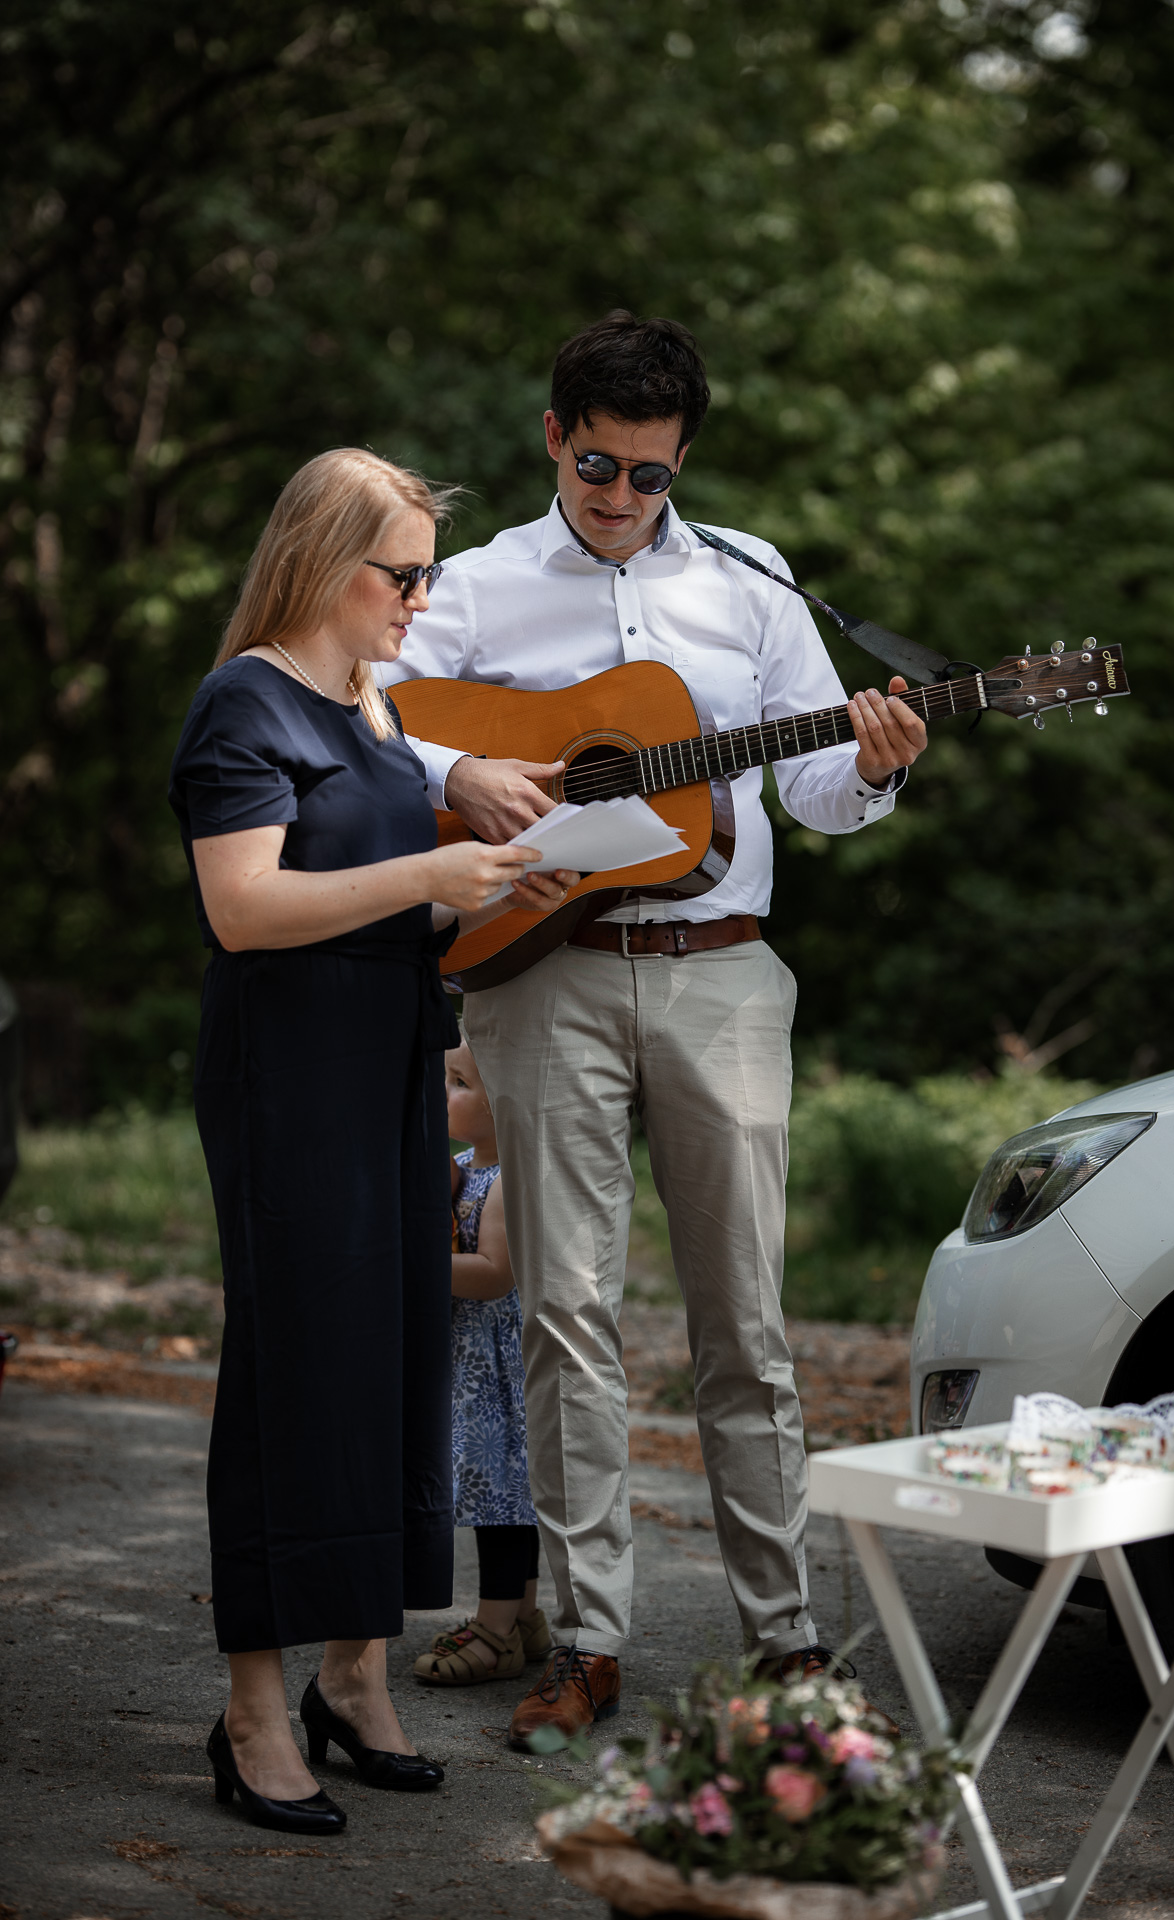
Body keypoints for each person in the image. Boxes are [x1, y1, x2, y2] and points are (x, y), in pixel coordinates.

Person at [382, 312, 928, 1748]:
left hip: (721, 975)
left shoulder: (752, 584)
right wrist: (471, 774)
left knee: (744, 1322)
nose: (619, 497)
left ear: (683, 463)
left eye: (650, 474)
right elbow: (372, 711)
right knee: (565, 1313)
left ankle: (788, 1639)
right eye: (596, 465)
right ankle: (589, 1640)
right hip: (535, 972)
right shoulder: (484, 582)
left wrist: (870, 771)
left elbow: (811, 791)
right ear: (553, 436)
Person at [167, 447, 578, 1834]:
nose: (420, 597)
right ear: (327, 563)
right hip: (291, 1070)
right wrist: (430, 870)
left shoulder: (376, 709)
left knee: (392, 1356)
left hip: (393, 1053)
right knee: (298, 1371)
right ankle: (253, 1708)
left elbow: (399, 908)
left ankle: (357, 1673)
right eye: (403, 573)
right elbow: (248, 909)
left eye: (426, 574)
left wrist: (511, 893)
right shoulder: (247, 705)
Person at [412, 1041, 551, 1686]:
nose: (444, 1095)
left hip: (498, 1368)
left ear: (508, 1104)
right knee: (507, 1495)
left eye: (460, 1083)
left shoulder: (508, 1180)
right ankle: (522, 1616)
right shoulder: (469, 1165)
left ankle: (495, 1630)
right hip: (476, 1362)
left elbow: (495, 1274)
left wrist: (408, 1266)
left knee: (503, 1500)